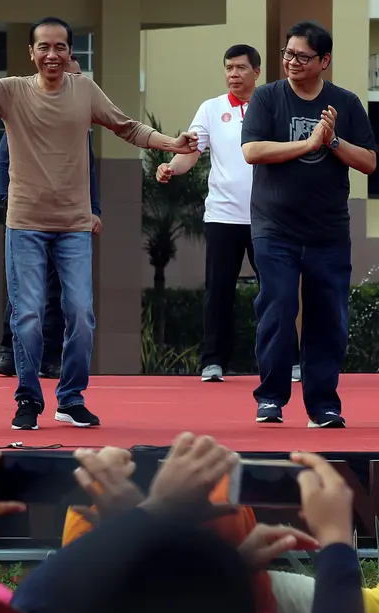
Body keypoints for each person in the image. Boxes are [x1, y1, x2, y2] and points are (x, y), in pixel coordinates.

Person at [0, 13, 195, 430]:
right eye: (44, 46)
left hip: (74, 225)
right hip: (25, 223)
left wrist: (172, 143)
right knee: (26, 315)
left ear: (70, 52)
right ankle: (27, 398)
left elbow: (126, 127)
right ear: (31, 52)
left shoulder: (84, 90)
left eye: (60, 46)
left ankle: (71, 398)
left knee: (79, 313)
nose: (52, 54)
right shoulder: (11, 92)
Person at [241, 20, 377, 428]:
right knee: (278, 307)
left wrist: (333, 141)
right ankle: (271, 398)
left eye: (302, 56)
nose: (292, 62)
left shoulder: (346, 103)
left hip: (327, 231)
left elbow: (369, 161)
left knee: (327, 316)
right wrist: (308, 143)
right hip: (274, 228)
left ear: (324, 61)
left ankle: (323, 404)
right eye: (288, 54)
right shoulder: (267, 97)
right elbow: (251, 151)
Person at [0, 57, 98, 381]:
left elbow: (89, 172)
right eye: (71, 76)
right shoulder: (24, 114)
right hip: (28, 219)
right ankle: (11, 356)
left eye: (78, 78)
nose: (74, 84)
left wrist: (96, 211)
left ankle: (54, 363)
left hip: (70, 221)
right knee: (26, 296)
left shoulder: (81, 125)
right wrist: (14, 201)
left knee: (68, 300)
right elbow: (0, 165)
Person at [158, 44, 261, 383]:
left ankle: (287, 360)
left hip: (267, 218)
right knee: (219, 291)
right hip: (223, 216)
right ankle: (213, 361)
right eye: (229, 67)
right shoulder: (211, 109)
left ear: (256, 72)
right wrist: (171, 167)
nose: (233, 74)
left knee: (276, 291)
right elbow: (190, 151)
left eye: (241, 68)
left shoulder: (270, 104)